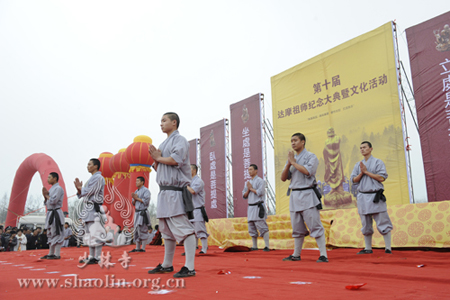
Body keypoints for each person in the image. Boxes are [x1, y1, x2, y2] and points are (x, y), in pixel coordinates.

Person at [148, 112, 196, 278]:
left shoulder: (180, 140)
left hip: (175, 191)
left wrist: (158, 157)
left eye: (164, 120)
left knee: (184, 228)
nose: (161, 123)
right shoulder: (163, 142)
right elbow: (161, 167)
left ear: (174, 122)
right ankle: (167, 264)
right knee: (166, 231)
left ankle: (190, 266)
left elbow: (176, 160)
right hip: (163, 191)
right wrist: (156, 160)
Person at [281, 133, 328, 263]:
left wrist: (293, 163)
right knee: (297, 227)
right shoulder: (292, 159)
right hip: (294, 195)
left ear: (303, 142)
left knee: (314, 225)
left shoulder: (311, 156)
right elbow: (283, 178)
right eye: (291, 141)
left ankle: (323, 254)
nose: (293, 143)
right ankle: (296, 254)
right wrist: (288, 164)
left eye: (295, 140)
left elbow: (308, 171)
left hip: (308, 194)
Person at [350, 141, 393, 254]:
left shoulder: (378, 162)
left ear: (371, 149)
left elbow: (382, 178)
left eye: (364, 147)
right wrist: (361, 173)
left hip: (375, 195)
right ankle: (368, 248)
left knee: (383, 221)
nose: (362, 149)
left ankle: (388, 247)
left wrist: (366, 172)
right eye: (360, 148)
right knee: (365, 223)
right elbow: (353, 180)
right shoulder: (357, 164)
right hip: (362, 196)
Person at [74, 158, 106, 265]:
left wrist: (81, 189)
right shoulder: (92, 178)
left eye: (89, 164)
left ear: (96, 166)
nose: (87, 166)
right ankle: (92, 256)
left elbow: (92, 191)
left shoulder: (99, 178)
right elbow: (84, 194)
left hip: (94, 208)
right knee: (89, 234)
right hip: (88, 208)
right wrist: (79, 190)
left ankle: (97, 257)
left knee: (95, 233)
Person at [243, 164, 270, 251]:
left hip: (258, 205)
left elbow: (260, 192)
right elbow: (244, 195)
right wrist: (248, 189)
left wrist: (251, 189)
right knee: (251, 226)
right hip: (250, 206)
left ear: (256, 170)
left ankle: (267, 246)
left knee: (262, 226)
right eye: (248, 170)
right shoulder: (247, 182)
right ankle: (254, 246)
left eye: (251, 169)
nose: (249, 171)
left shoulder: (260, 181)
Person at [40, 172, 65, 259]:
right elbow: (47, 202)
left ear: (54, 178)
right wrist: (45, 197)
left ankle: (57, 254)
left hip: (56, 213)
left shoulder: (58, 188)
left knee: (57, 232)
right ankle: (51, 253)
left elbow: (54, 201)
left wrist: (47, 196)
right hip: (50, 212)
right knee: (50, 232)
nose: (48, 179)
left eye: (49, 177)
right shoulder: (51, 189)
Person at [186, 164, 209, 254]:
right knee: (190, 231)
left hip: (198, 209)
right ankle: (193, 248)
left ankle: (204, 248)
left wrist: (184, 185)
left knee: (200, 229)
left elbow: (193, 191)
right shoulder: (188, 181)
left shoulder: (198, 181)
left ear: (194, 170)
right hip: (189, 209)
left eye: (190, 169)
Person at [129, 176, 151, 253]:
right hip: (137, 212)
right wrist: (135, 198)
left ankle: (143, 248)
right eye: (136, 181)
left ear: (142, 182)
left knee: (143, 229)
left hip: (143, 212)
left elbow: (146, 201)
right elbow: (133, 203)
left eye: (138, 181)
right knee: (136, 229)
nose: (136, 182)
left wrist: (137, 198)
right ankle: (137, 247)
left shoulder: (146, 191)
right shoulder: (136, 191)